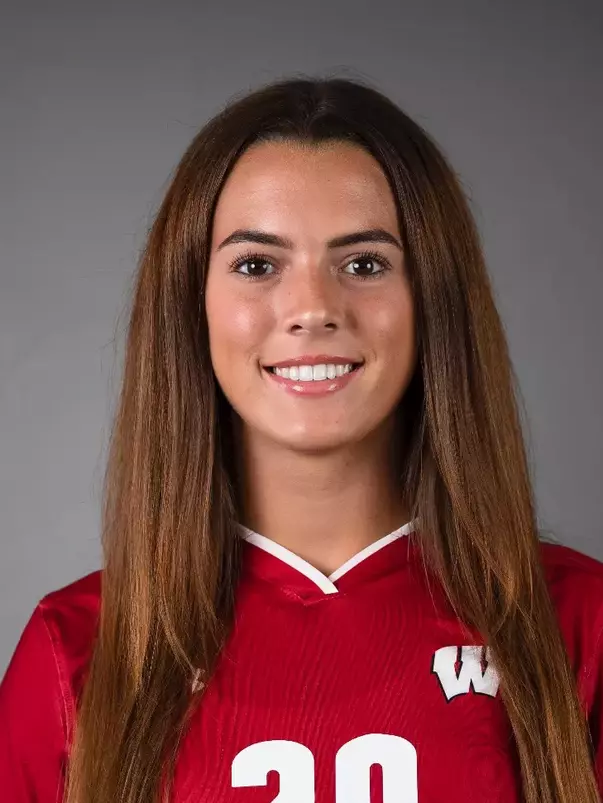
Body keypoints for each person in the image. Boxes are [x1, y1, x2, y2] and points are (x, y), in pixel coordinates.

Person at [0, 76, 602, 803]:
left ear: (433, 300)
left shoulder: (575, 622)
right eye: (257, 265)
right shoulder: (79, 652)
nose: (312, 307)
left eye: (363, 264)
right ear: (191, 305)